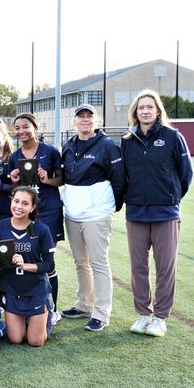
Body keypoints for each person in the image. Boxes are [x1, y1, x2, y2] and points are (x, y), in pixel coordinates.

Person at [121, 90, 193, 337]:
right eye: (141, 107)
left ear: (158, 110)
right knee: (138, 267)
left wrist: (170, 198)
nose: (145, 111)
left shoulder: (173, 137)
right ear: (135, 112)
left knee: (165, 268)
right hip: (136, 213)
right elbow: (125, 176)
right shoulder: (127, 140)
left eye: (150, 107)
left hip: (165, 213)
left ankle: (160, 317)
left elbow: (186, 175)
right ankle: (143, 314)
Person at [60, 104, 126, 332]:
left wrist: (111, 207)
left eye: (90, 117)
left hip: (97, 215)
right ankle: (84, 305)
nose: (85, 120)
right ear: (74, 121)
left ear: (96, 121)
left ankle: (101, 313)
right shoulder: (68, 146)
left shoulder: (107, 146)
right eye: (81, 117)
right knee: (80, 262)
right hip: (73, 215)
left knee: (99, 263)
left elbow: (119, 180)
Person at [8, 112, 63, 325]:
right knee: (26, 258)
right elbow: (17, 190)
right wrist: (13, 180)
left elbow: (61, 180)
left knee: (47, 263)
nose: (21, 131)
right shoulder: (15, 156)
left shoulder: (50, 152)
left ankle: (53, 308)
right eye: (17, 128)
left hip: (48, 211)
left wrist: (47, 179)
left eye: (25, 127)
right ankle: (30, 306)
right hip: (25, 214)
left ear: (35, 127)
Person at [0, 186, 56, 347]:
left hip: (35, 289)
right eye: (16, 201)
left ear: (32, 207)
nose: (19, 206)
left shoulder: (41, 229)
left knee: (35, 342)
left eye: (25, 203)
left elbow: (49, 265)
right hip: (12, 289)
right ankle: (28, 320)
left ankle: (47, 311)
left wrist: (26, 265)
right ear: (11, 201)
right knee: (16, 339)